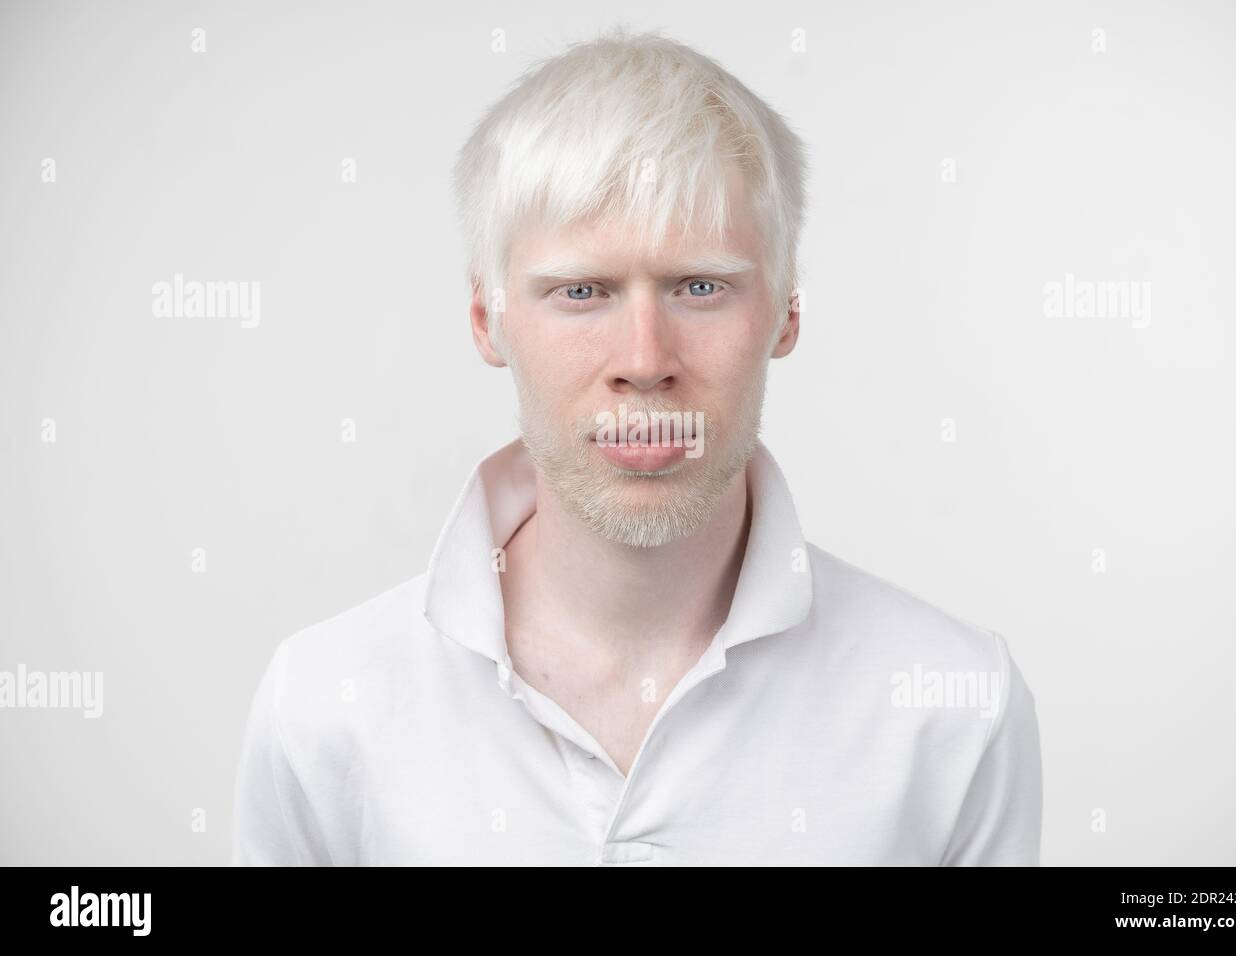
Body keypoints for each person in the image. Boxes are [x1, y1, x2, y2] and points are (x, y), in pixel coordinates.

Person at [232, 26, 1042, 866]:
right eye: (581, 291)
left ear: (786, 312)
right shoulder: (326, 704)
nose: (645, 363)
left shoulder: (954, 709)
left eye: (701, 287)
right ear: (487, 319)